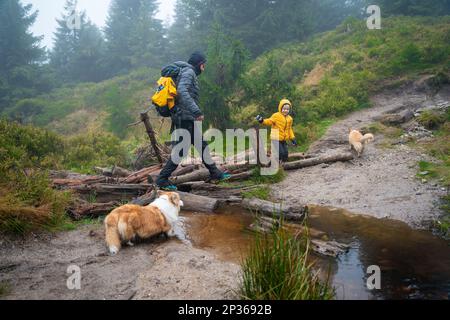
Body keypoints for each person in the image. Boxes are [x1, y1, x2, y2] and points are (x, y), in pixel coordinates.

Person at [156, 52, 231, 191]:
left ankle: (216, 173)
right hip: (184, 117)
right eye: (204, 64)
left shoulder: (186, 72)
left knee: (201, 145)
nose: (204, 67)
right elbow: (182, 91)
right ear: (199, 64)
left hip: (185, 116)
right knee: (180, 151)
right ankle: (161, 179)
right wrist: (196, 111)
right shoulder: (189, 72)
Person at [256, 99, 297, 163]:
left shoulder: (290, 119)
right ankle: (274, 163)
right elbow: (269, 121)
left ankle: (284, 165)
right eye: (284, 109)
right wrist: (262, 121)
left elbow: (289, 129)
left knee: (285, 154)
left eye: (287, 109)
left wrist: (292, 138)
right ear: (280, 108)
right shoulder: (276, 116)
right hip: (275, 138)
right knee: (281, 153)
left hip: (283, 139)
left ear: (289, 110)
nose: (285, 110)